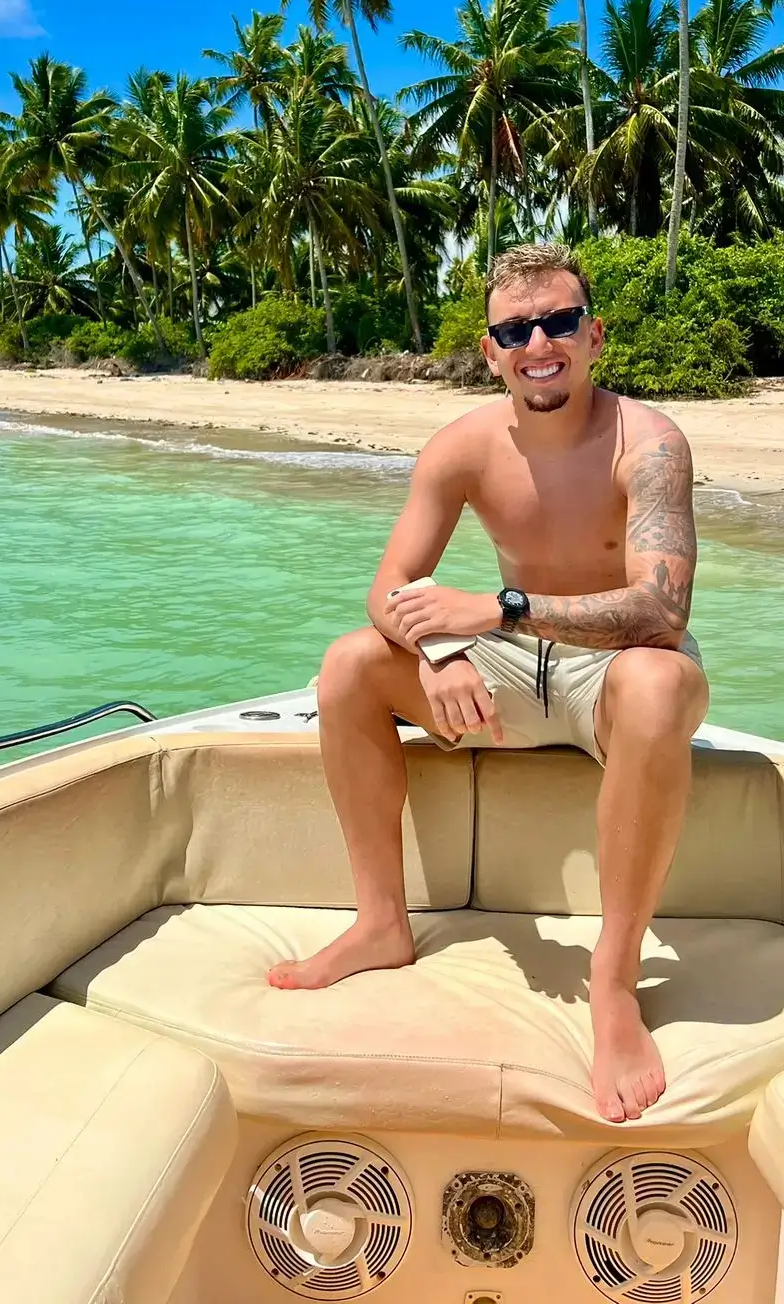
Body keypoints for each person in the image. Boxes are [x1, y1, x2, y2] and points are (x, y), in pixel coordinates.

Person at [268, 242, 709, 1125]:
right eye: (516, 328)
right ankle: (381, 923)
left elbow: (661, 608)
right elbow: (390, 588)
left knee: (661, 686)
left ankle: (613, 986)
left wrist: (495, 612)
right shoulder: (461, 447)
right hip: (506, 668)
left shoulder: (649, 442)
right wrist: (441, 654)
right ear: (490, 349)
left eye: (558, 322)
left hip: (612, 671)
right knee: (351, 663)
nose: (537, 341)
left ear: (594, 336)